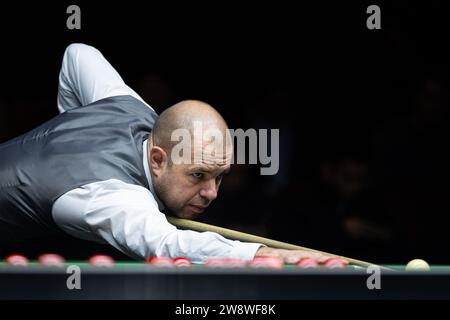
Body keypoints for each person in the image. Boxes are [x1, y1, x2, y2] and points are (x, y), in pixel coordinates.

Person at [0, 43, 331, 264]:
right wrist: (260, 252)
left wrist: (72, 126)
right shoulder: (114, 198)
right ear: (157, 159)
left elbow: (78, 52)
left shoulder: (126, 106)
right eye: (198, 175)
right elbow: (170, 245)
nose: (211, 193)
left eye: (219, 177)